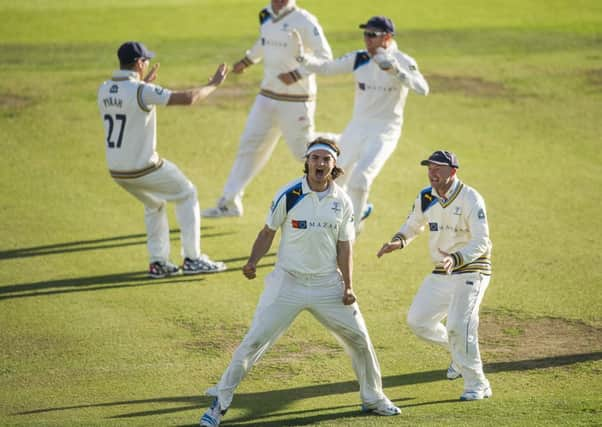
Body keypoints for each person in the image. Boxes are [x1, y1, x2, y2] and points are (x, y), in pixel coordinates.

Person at [199, 138, 401, 427]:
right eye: (315, 158)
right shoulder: (289, 194)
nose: (320, 164)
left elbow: (345, 246)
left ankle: (373, 397)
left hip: (327, 285)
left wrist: (348, 286)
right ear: (306, 162)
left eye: (326, 159)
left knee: (360, 339)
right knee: (253, 341)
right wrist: (253, 261)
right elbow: (267, 232)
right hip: (287, 283)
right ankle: (220, 403)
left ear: (334, 165)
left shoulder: (342, 201)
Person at [97, 41, 229, 278]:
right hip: (143, 168)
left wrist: (144, 84)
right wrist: (213, 84)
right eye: (145, 60)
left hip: (117, 172)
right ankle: (193, 258)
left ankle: (158, 262)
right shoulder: (140, 91)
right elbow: (187, 98)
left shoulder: (105, 88)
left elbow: (127, 104)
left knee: (154, 204)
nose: (146, 63)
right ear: (139, 63)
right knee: (187, 193)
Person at [288, 15, 429, 233]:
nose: (367, 39)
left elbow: (422, 88)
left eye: (373, 35)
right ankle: (341, 217)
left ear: (387, 37)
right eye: (365, 34)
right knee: (334, 176)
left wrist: (395, 71)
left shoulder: (402, 60)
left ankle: (350, 233)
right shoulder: (359, 58)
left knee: (361, 179)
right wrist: (303, 58)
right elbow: (327, 68)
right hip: (357, 126)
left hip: (385, 130)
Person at [377, 150, 493, 401]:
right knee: (418, 321)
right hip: (442, 270)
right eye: (429, 168)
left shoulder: (471, 198)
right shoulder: (425, 196)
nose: (432, 173)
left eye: (438, 168)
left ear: (453, 171)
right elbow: (412, 225)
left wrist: (456, 257)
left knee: (459, 325)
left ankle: (478, 384)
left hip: (472, 268)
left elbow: (482, 240)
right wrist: (398, 241)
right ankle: (458, 356)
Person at [201, 0, 334, 218]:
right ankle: (229, 202)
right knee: (249, 145)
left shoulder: (305, 20)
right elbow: (265, 40)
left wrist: (297, 73)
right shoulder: (265, 14)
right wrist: (248, 60)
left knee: (304, 153)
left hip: (296, 98)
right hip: (267, 95)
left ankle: (343, 148)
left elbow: (325, 56)